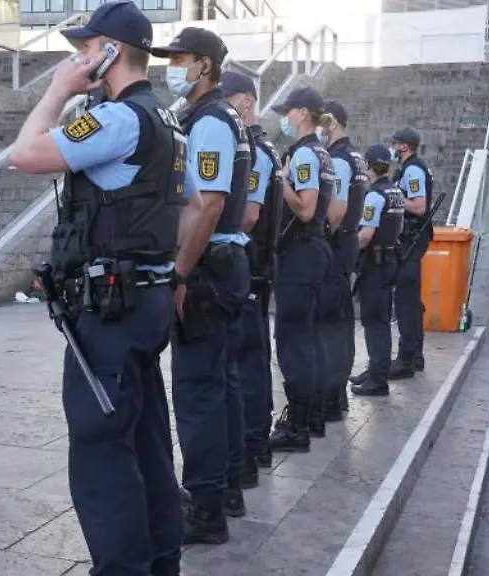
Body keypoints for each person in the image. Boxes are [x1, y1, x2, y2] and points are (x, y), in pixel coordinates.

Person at [7, 3, 188, 573]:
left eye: (85, 47)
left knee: (102, 452)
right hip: (144, 298)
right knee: (147, 444)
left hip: (112, 310)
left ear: (110, 50)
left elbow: (25, 153)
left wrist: (57, 90)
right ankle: (162, 561)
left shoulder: (117, 120)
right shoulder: (165, 118)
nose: (77, 57)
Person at [152, 27, 252, 543]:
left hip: (209, 268)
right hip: (225, 261)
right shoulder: (225, 118)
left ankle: (206, 507)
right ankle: (226, 488)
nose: (171, 66)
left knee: (197, 393)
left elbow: (209, 204)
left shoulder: (212, 122)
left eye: (179, 57)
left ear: (205, 66)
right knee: (221, 385)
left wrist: (180, 273)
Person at [220, 70, 282, 487]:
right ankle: (254, 444)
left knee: (247, 364)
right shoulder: (263, 148)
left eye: (228, 103)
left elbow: (249, 214)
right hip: (255, 267)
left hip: (252, 266)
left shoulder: (256, 151)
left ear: (246, 101)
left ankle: (250, 446)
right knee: (251, 360)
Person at [267, 86, 334, 453]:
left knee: (293, 340)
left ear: (304, 113)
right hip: (315, 248)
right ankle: (314, 414)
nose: (286, 118)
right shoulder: (322, 154)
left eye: (290, 112)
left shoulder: (306, 155)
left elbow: (305, 209)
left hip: (302, 250)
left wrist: (280, 177)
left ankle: (298, 423)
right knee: (308, 336)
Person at [318, 100, 367, 422]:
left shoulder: (338, 158)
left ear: (332, 122)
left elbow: (335, 209)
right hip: (347, 240)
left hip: (337, 243)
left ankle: (332, 396)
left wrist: (323, 236)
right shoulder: (355, 157)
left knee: (332, 322)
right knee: (340, 319)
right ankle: (336, 395)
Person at [349, 144, 405, 396]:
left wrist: (347, 256)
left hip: (376, 263)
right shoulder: (395, 190)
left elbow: (366, 234)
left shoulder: (374, 195)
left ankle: (378, 378)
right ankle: (375, 370)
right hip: (390, 259)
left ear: (368, 165)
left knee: (374, 322)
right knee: (379, 319)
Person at [388, 126, 432, 379]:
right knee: (410, 300)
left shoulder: (413, 169)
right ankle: (415, 355)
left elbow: (418, 205)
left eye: (395, 145)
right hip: (409, 240)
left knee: (405, 300)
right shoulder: (408, 168)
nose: (393, 149)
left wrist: (392, 196)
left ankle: (406, 359)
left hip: (411, 240)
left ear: (403, 146)